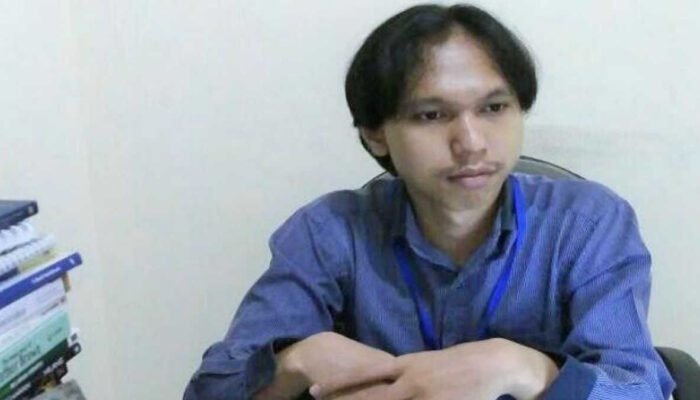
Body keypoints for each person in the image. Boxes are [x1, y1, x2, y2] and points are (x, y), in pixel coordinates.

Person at [184, 4, 674, 400]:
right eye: (432, 115)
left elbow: (640, 389)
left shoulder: (588, 223)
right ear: (376, 134)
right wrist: (297, 361)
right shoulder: (327, 231)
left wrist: (525, 369)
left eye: (494, 108)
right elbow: (210, 389)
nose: (472, 143)